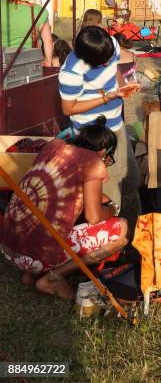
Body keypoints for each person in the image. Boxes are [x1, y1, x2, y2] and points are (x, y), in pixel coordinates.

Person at [0, 117, 128, 300]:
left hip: (8, 248)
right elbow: (94, 217)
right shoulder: (93, 162)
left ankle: (29, 274)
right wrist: (112, 209)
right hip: (36, 258)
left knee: (43, 213)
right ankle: (53, 278)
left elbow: (56, 189)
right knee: (121, 229)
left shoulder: (54, 147)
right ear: (103, 152)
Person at [58, 26, 140, 209]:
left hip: (117, 124)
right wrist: (105, 98)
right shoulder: (72, 72)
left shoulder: (109, 45)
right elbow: (68, 108)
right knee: (110, 187)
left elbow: (118, 65)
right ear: (90, 61)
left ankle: (131, 219)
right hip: (94, 135)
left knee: (130, 179)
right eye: (104, 62)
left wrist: (125, 83)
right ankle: (114, 229)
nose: (109, 62)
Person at [0, 0, 53, 66]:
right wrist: (48, 62)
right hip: (29, 62)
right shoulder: (38, 11)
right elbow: (48, 41)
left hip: (2, 61)